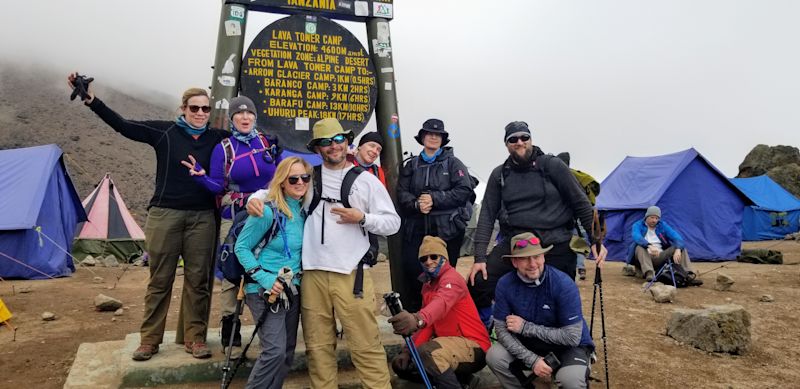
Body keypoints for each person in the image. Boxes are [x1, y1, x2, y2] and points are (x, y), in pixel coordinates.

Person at [67, 72, 228, 361]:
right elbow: (124, 126)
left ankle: (195, 339)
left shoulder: (219, 139)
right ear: (183, 109)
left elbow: (249, 142)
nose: (201, 113)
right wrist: (91, 100)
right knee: (160, 279)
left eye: (206, 109)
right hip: (165, 214)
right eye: (195, 108)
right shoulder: (165, 132)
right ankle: (150, 340)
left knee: (199, 281)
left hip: (203, 217)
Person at [247, 118, 400, 389]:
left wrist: (362, 217)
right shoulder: (308, 178)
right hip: (312, 275)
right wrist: (253, 199)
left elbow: (392, 223)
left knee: (366, 346)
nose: (333, 146)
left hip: (351, 275)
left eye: (338, 140)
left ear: (347, 141)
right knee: (318, 349)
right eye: (325, 142)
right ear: (317, 148)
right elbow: (275, 189)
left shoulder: (366, 181)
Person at [468, 121, 607, 328]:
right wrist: (479, 257)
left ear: (531, 139)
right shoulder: (500, 174)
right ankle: (485, 330)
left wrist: (596, 241)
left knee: (560, 291)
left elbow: (580, 203)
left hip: (556, 240)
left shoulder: (552, 166)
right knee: (478, 281)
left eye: (524, 137)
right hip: (518, 243)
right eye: (513, 139)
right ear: (506, 144)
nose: (520, 142)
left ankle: (571, 340)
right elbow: (487, 214)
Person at [181, 95, 282, 359]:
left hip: (268, 215)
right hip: (235, 216)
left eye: (249, 113)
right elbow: (218, 186)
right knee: (231, 272)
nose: (245, 117)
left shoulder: (266, 143)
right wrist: (203, 178)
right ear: (232, 118)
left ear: (255, 117)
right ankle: (230, 335)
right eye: (240, 114)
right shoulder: (224, 148)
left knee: (268, 265)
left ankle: (268, 332)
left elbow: (282, 175)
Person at [234, 157, 310, 388]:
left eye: (304, 177)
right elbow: (241, 247)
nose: (300, 182)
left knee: (286, 352)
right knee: (275, 351)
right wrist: (266, 278)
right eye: (293, 178)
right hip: (264, 289)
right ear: (282, 182)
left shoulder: (303, 211)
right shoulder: (267, 212)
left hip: (291, 289)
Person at [486, 233, 594, 389]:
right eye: (524, 258)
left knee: (571, 380)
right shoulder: (505, 284)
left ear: (544, 256)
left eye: (537, 256)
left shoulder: (563, 283)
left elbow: (572, 337)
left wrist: (525, 327)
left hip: (569, 347)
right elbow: (501, 331)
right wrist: (533, 360)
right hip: (530, 345)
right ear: (514, 262)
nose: (532, 263)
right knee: (495, 356)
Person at [389, 236, 490, 389]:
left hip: (473, 345)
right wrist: (407, 352)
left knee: (428, 353)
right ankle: (464, 381)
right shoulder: (428, 285)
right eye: (424, 259)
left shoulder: (453, 279)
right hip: (448, 345)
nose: (429, 261)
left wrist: (417, 319)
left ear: (444, 258)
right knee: (402, 365)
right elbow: (428, 326)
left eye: (434, 256)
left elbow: (441, 303)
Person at [397, 118, 474, 311]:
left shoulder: (453, 163)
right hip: (416, 230)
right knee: (414, 271)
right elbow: (401, 193)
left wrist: (435, 198)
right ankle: (417, 317)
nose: (433, 137)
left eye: (437, 134)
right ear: (422, 137)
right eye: (429, 133)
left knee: (444, 275)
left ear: (442, 139)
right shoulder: (411, 165)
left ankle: (445, 315)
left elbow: (465, 190)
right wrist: (416, 205)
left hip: (447, 231)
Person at [556, 152, 601, 281]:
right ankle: (580, 268)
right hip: (578, 219)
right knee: (579, 243)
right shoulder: (577, 178)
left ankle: (575, 270)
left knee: (570, 245)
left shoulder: (556, 177)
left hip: (565, 221)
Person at [630, 205, 701, 284]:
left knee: (681, 248)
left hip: (659, 256)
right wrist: (649, 245)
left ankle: (687, 274)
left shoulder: (662, 226)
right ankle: (649, 273)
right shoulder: (637, 225)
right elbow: (636, 237)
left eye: (656, 218)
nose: (654, 220)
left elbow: (677, 237)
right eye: (652, 217)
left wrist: (678, 249)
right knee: (639, 247)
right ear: (646, 216)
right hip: (643, 257)